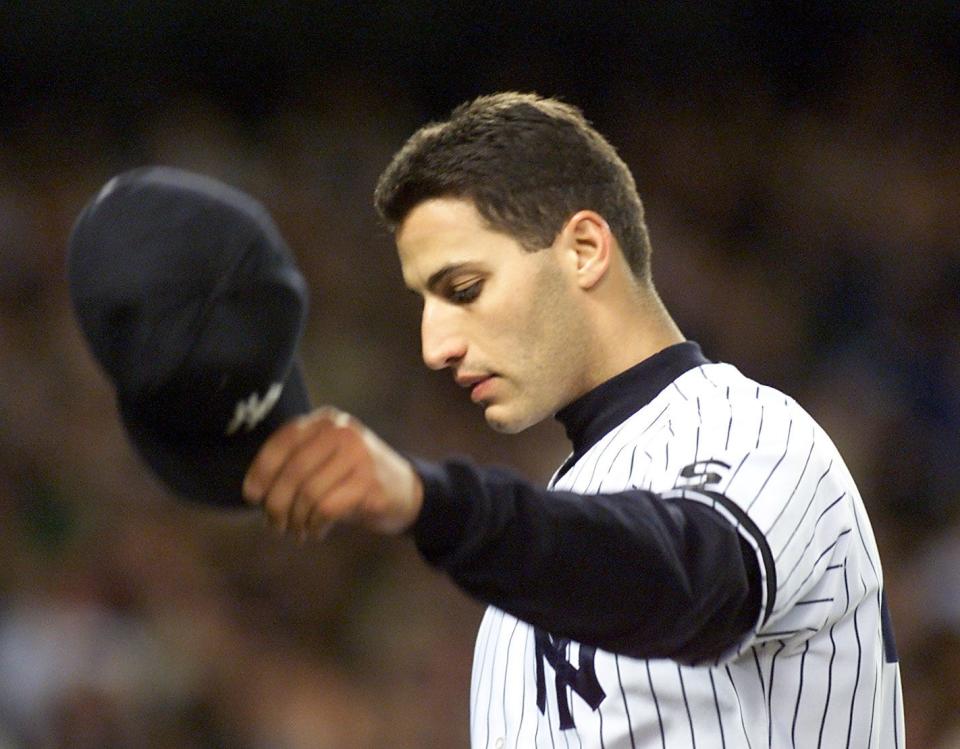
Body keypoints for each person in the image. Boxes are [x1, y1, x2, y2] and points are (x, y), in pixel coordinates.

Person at [242, 93, 904, 748]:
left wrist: (432, 501)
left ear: (585, 248)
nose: (434, 345)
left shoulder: (750, 429)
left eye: (465, 289)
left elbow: (687, 580)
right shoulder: (552, 531)